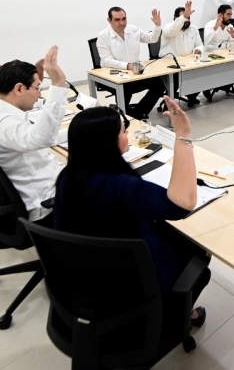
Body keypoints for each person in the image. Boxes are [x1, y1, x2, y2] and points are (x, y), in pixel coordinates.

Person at [53, 100, 210, 331]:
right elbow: (184, 203)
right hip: (134, 284)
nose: (128, 134)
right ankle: (176, 312)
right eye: (124, 130)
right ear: (108, 143)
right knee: (200, 255)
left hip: (85, 278)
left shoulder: (67, 177)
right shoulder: (122, 187)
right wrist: (183, 135)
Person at [0, 46, 67, 223]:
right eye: (37, 88)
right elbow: (42, 138)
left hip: (39, 182)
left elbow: (39, 138)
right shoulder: (2, 124)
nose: (39, 95)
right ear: (18, 89)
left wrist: (78, 131)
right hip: (46, 200)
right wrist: (58, 84)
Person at [97, 6, 164, 119]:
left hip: (133, 74)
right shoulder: (103, 36)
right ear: (109, 20)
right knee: (125, 88)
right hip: (112, 77)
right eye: (117, 20)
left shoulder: (133, 30)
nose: (122, 23)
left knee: (159, 83)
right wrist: (127, 66)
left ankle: (138, 112)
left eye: (124, 19)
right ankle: (122, 113)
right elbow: (107, 60)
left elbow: (152, 39)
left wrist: (157, 26)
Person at [160, 2, 204, 107]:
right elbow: (170, 31)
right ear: (175, 19)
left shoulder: (193, 28)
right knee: (175, 79)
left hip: (188, 63)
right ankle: (169, 103)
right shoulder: (168, 28)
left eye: (188, 17)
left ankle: (191, 95)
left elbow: (200, 45)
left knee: (205, 73)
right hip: (169, 64)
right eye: (184, 17)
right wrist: (183, 18)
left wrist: (197, 50)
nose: (187, 20)